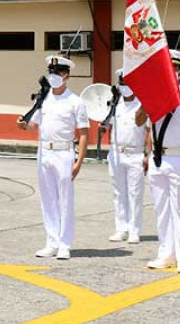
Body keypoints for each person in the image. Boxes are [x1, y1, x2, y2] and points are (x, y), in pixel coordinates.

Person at [135, 49, 180, 274]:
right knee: (161, 210)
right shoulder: (154, 95)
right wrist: (145, 100)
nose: (172, 72)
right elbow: (140, 122)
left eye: (176, 68)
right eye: (168, 68)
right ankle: (165, 254)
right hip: (159, 158)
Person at [17, 55, 89, 259]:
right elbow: (33, 124)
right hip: (44, 152)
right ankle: (52, 241)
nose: (53, 76)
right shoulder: (44, 99)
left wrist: (79, 161)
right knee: (48, 199)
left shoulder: (76, 102)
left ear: (66, 75)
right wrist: (22, 124)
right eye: (51, 72)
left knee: (65, 199)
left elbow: (84, 133)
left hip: (64, 152)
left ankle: (65, 244)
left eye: (57, 72)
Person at [104, 68, 149, 245]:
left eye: (128, 83)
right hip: (116, 152)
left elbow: (149, 130)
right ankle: (121, 228)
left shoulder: (142, 104)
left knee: (135, 193)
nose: (124, 87)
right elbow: (109, 125)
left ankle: (134, 230)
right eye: (122, 83)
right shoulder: (115, 103)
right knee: (118, 192)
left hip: (135, 153)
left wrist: (147, 154)